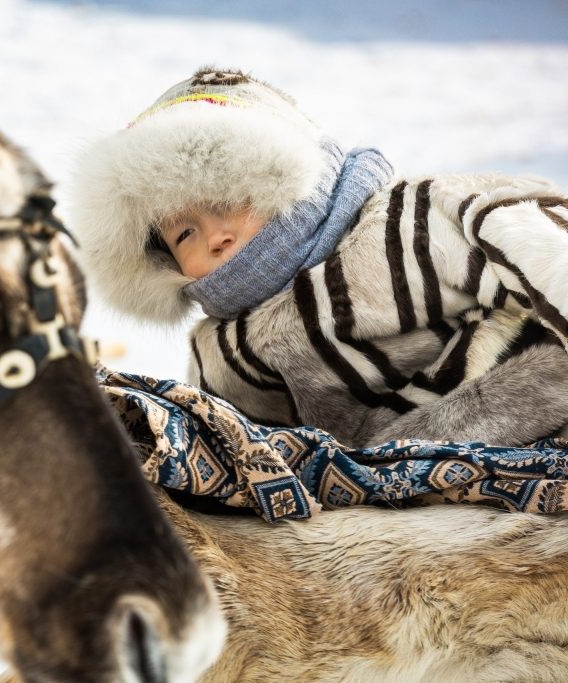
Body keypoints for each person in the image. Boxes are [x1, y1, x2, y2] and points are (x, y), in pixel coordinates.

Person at [71, 67, 568, 447]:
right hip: (392, 506)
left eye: (224, 201)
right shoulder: (223, 354)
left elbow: (543, 249)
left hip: (537, 396)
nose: (214, 237)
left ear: (276, 173)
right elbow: (242, 445)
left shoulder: (415, 218)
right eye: (184, 234)